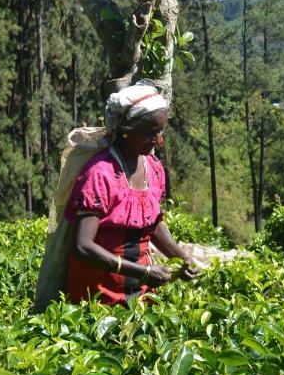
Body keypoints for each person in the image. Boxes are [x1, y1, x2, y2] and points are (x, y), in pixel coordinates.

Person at [63, 83, 198, 307]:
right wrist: (143, 271)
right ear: (126, 130)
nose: (159, 140)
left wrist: (182, 257)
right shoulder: (101, 174)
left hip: (141, 291)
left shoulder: (153, 168)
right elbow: (82, 246)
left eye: (161, 132)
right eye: (151, 133)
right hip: (98, 294)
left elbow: (151, 223)